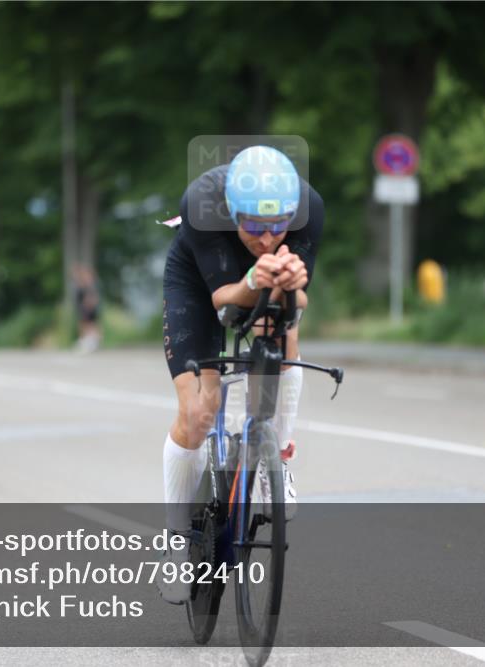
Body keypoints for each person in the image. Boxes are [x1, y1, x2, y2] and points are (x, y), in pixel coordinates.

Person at [158, 145, 324, 603]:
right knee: (199, 411)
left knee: (284, 333)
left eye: (279, 225)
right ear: (232, 211)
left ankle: (278, 457)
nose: (268, 237)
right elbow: (224, 301)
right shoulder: (201, 202)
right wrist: (255, 279)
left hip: (260, 285)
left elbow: (301, 301)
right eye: (254, 225)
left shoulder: (309, 210)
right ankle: (175, 541)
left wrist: (290, 284)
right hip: (201, 284)